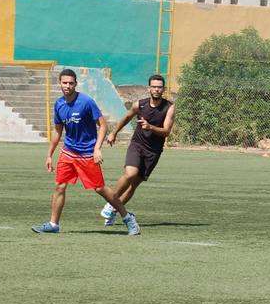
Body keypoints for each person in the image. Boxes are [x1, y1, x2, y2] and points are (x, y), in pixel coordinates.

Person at [32, 68, 140, 235]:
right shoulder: (59, 104)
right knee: (59, 186)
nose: (67, 86)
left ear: (76, 84)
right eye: (64, 82)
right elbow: (58, 131)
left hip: (87, 153)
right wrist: (49, 154)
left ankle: (127, 217)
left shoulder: (86, 102)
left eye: (70, 83)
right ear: (60, 83)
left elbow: (103, 125)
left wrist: (97, 148)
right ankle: (53, 224)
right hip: (68, 152)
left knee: (100, 189)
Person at [100, 74, 175, 226]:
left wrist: (150, 127)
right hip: (137, 145)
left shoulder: (169, 107)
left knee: (134, 184)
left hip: (153, 151)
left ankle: (114, 211)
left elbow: (166, 131)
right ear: (149, 88)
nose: (156, 89)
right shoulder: (139, 105)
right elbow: (127, 117)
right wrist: (114, 132)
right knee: (130, 174)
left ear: (163, 89)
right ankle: (111, 202)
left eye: (159, 87)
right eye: (153, 86)